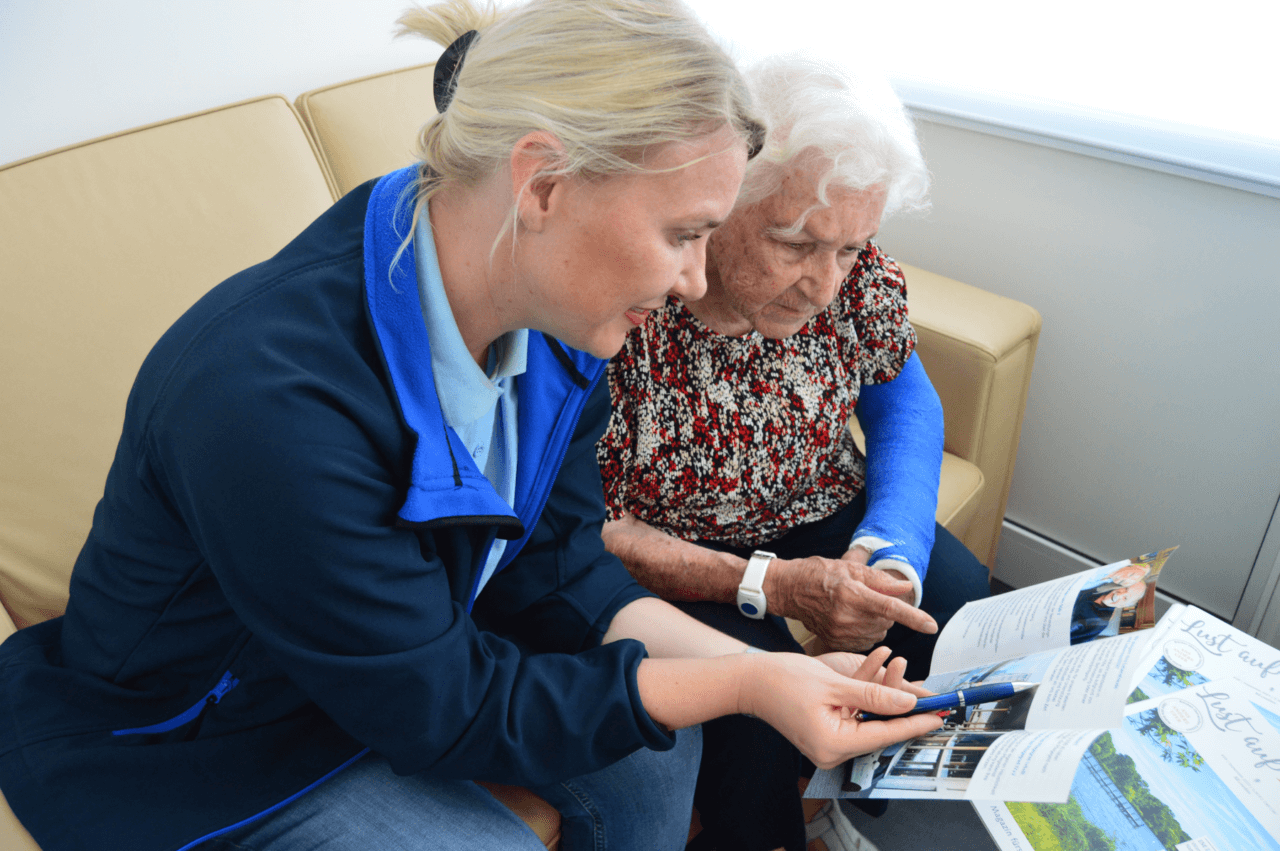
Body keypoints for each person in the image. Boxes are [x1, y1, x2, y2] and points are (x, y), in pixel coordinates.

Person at [0, 4, 948, 851]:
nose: (697, 283)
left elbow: (564, 565)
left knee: (661, 752)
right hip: (206, 737)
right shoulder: (265, 400)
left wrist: (770, 673)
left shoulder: (555, 320)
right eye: (683, 233)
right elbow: (445, 708)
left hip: (402, 656)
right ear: (542, 185)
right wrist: (755, 683)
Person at [596, 54, 993, 851]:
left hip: (819, 502)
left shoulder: (852, 272)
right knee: (753, 716)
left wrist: (890, 548)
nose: (825, 284)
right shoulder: (633, 302)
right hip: (678, 553)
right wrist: (771, 586)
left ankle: (857, 807)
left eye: (850, 249)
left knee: (953, 603)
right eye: (795, 244)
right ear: (719, 199)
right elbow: (595, 531)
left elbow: (903, 398)